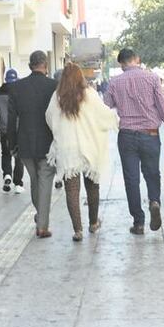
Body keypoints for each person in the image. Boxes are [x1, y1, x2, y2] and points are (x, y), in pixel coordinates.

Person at [104, 48, 164, 235]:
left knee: (131, 179)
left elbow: (106, 106)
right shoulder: (152, 78)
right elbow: (163, 106)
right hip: (150, 134)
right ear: (137, 59)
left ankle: (138, 222)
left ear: (121, 64)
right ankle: (154, 201)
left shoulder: (114, 82)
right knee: (152, 173)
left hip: (127, 135)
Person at [46, 63, 119, 242]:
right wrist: (115, 117)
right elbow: (104, 115)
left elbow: (49, 118)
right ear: (81, 77)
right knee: (92, 186)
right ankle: (93, 223)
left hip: (67, 148)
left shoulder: (57, 97)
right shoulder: (90, 95)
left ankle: (77, 230)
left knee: (72, 190)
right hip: (89, 147)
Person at [8, 51, 58, 238]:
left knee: (35, 180)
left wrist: (12, 144)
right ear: (45, 65)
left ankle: (41, 216)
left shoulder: (17, 87)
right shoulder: (54, 86)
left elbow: (12, 119)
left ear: (30, 65)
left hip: (25, 143)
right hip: (48, 142)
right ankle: (42, 225)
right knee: (44, 180)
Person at [0, 68, 25, 193]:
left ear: (5, 79)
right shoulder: (20, 93)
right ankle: (18, 184)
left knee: (5, 153)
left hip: (4, 129)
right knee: (19, 156)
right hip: (18, 128)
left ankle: (7, 175)